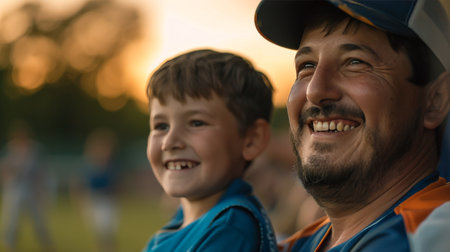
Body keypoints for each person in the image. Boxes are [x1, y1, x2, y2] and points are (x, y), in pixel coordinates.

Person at [254, 0, 450, 251]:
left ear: (435, 100)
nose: (315, 90)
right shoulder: (299, 243)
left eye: (355, 62)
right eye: (307, 66)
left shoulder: (427, 235)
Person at [143, 49, 278, 251]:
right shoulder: (181, 224)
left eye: (196, 123)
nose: (169, 142)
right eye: (161, 126)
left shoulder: (230, 229)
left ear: (251, 139)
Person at [0, 120, 53, 252]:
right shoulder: (10, 149)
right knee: (13, 219)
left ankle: (46, 243)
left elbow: (41, 172)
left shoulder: (35, 149)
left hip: (32, 188)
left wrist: (42, 190)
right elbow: (4, 170)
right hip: (15, 188)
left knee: (38, 218)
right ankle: (10, 243)